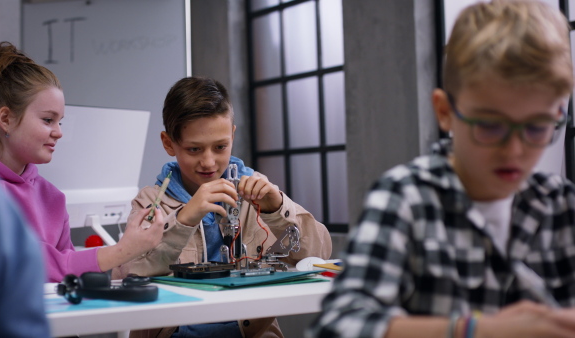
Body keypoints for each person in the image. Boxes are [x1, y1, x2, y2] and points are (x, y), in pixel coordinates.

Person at [308, 1, 575, 338]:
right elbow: (337, 326)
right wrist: (476, 330)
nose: (514, 150)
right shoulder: (406, 198)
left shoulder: (561, 203)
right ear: (445, 111)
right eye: (490, 125)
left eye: (537, 127)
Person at [113, 76, 332, 338]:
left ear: (232, 135)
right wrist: (185, 218)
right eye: (194, 149)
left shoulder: (256, 194)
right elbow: (128, 273)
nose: (209, 162)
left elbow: (320, 256)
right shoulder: (150, 202)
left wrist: (278, 210)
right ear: (169, 143)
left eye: (220, 147)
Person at [0, 41, 165, 283]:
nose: (58, 132)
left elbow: (68, 278)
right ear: (6, 118)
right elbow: (29, 264)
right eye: (47, 120)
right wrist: (123, 250)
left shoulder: (52, 198)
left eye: (60, 122)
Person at [0, 159, 50, 338]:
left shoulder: (53, 195)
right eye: (48, 127)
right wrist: (119, 250)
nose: (58, 133)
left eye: (60, 127)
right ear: (5, 127)